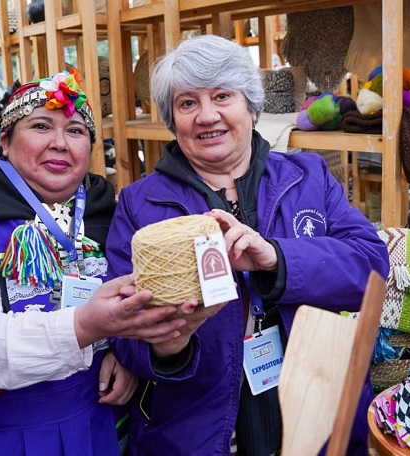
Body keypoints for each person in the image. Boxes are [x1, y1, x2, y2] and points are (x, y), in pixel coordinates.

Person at [105, 34, 390, 456]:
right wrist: (164, 347)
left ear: (251, 107)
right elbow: (121, 323)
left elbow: (371, 267)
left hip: (318, 407)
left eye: (222, 96)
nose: (206, 116)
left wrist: (276, 257)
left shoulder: (306, 175)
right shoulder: (139, 203)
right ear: (172, 119)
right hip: (193, 425)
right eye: (187, 103)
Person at [0, 70, 196, 455]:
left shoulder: (106, 208)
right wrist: (83, 326)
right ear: (3, 140)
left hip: (100, 422)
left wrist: (126, 355)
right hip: (3, 435)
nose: (59, 144)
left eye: (75, 131)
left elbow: (133, 301)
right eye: (40, 126)